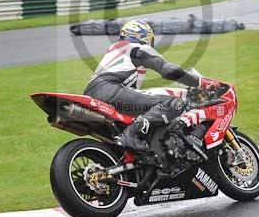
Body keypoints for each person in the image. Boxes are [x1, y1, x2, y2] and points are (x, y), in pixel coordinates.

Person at [84, 20, 218, 152]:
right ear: (143, 37)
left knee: (149, 111)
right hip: (110, 90)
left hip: (94, 94)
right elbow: (167, 69)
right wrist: (201, 82)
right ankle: (131, 134)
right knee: (172, 103)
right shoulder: (136, 48)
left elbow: (135, 92)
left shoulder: (117, 51)